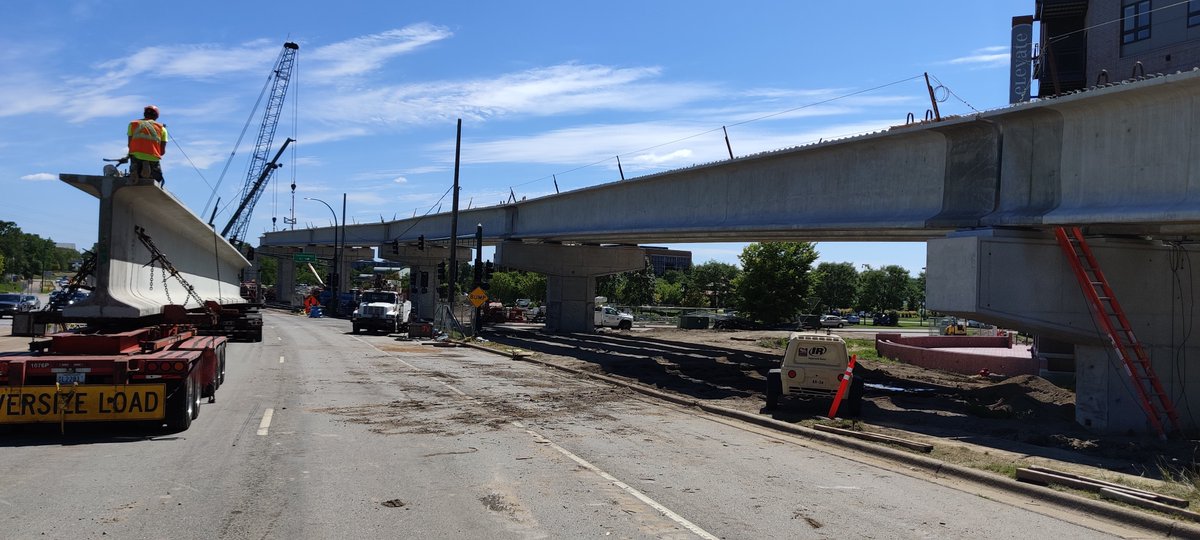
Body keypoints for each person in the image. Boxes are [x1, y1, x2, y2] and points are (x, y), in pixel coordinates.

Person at [127, 105, 168, 184]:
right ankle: (150, 174)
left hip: (136, 155)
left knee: (135, 161)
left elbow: (129, 144)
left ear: (144, 114)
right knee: (157, 178)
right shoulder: (162, 129)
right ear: (156, 116)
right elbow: (162, 152)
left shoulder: (132, 124)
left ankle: (136, 172)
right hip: (153, 157)